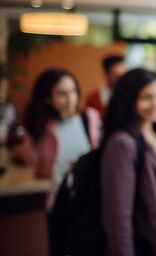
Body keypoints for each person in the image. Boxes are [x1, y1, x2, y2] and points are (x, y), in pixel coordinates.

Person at [100, 68, 156, 256]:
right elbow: (118, 219)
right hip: (146, 247)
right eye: (146, 97)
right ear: (129, 100)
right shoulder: (122, 144)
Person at [10, 68, 101, 208]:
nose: (71, 99)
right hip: (54, 201)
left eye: (73, 91)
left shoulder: (89, 118)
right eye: (62, 94)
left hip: (86, 199)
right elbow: (25, 157)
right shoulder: (40, 126)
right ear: (47, 99)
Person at [86, 54, 126, 118]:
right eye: (117, 76)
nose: (122, 80)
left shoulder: (130, 96)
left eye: (124, 75)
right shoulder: (93, 99)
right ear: (107, 75)